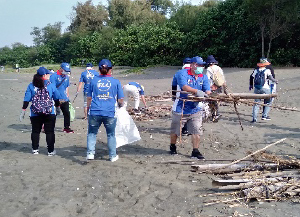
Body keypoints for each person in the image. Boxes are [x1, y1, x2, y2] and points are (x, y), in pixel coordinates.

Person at [170, 56, 211, 159]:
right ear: (192, 65)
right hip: (180, 107)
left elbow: (207, 90)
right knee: (176, 131)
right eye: (198, 65)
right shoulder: (182, 73)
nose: (200, 67)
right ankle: (173, 146)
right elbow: (184, 87)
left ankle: (195, 151)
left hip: (195, 108)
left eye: (202, 65)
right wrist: (197, 91)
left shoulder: (203, 77)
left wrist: (207, 94)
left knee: (196, 130)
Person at [86, 59, 124, 162]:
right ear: (110, 69)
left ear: (99, 69)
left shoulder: (93, 80)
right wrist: (120, 106)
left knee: (92, 133)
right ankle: (112, 156)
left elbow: (89, 97)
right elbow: (120, 99)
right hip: (109, 112)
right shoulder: (115, 82)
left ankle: (90, 153)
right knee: (111, 134)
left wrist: (88, 109)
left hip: (95, 110)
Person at [19, 67, 60, 156]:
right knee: (49, 132)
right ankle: (50, 151)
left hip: (35, 112)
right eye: (48, 74)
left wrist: (23, 110)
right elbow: (56, 97)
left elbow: (27, 99)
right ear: (44, 75)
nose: (49, 75)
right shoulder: (50, 85)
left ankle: (35, 149)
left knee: (35, 131)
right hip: (49, 112)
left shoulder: (31, 85)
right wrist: (57, 107)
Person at [249, 58, 278, 123]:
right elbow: (271, 78)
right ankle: (264, 115)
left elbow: (251, 77)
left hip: (257, 89)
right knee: (269, 101)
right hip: (265, 88)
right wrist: (275, 81)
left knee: (256, 103)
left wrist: (251, 85)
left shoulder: (256, 70)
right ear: (265, 64)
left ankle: (254, 119)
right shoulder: (267, 70)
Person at [50, 63, 74, 133]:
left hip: (64, 98)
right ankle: (48, 127)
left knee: (67, 112)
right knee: (54, 114)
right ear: (61, 69)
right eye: (65, 70)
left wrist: (67, 95)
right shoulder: (54, 76)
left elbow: (66, 87)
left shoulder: (66, 77)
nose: (66, 72)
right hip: (55, 98)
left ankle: (67, 127)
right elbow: (52, 88)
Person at [205, 55, 226, 122]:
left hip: (213, 87)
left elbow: (208, 79)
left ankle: (215, 115)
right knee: (216, 101)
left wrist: (207, 88)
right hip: (219, 86)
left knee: (212, 101)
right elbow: (222, 77)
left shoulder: (209, 69)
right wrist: (224, 87)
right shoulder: (219, 68)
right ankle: (215, 114)